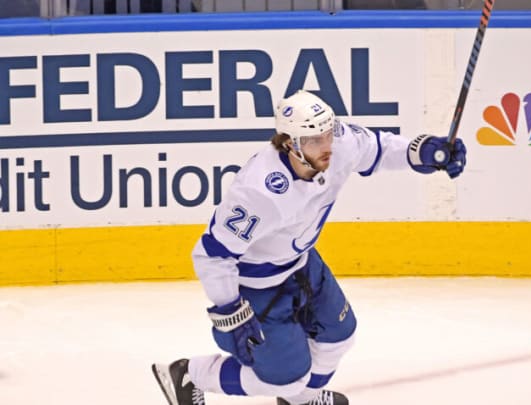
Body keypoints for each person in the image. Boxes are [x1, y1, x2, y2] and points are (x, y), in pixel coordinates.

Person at [151, 89, 467, 405]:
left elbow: (377, 149)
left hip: (301, 264)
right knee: (286, 378)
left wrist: (421, 151)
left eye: (327, 134)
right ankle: (190, 374)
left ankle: (300, 400)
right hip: (256, 286)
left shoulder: (337, 145)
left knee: (339, 337)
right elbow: (212, 254)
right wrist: (229, 307)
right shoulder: (259, 192)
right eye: (315, 140)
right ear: (290, 142)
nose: (327, 146)